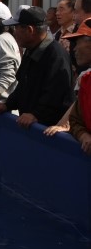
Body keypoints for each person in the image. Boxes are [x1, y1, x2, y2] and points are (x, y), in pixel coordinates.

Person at [0, 6, 73, 128]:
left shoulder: (56, 55)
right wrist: (7, 105)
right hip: (29, 127)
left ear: (29, 30)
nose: (14, 33)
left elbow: (56, 95)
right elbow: (22, 86)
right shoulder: (31, 50)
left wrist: (36, 115)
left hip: (47, 130)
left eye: (16, 28)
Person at [44, 19, 91, 154]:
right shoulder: (85, 80)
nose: (74, 49)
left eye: (78, 42)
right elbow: (75, 120)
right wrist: (83, 135)